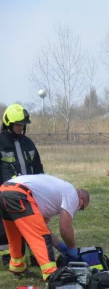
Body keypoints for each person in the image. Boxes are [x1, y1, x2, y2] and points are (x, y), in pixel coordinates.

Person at [0, 174, 89, 281]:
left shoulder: (50, 199)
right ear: (82, 199)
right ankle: (51, 274)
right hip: (19, 194)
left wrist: (59, 246)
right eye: (82, 207)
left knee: (15, 234)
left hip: (4, 190)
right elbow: (65, 229)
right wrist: (71, 247)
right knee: (41, 238)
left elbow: (43, 226)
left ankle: (17, 267)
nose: (78, 209)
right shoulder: (72, 195)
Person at [0, 104, 45, 267]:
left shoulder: (28, 143)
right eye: (18, 124)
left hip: (29, 193)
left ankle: (36, 257)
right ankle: (10, 259)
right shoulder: (1, 143)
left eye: (23, 124)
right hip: (6, 193)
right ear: (8, 123)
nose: (21, 127)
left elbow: (38, 167)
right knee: (6, 229)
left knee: (33, 225)